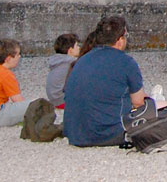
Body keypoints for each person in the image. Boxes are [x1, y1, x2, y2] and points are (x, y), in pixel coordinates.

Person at [63, 16, 148, 147]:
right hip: (108, 134)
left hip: (76, 134)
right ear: (120, 40)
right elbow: (139, 102)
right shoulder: (126, 62)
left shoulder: (82, 60)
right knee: (159, 108)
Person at [45, 33, 80, 107]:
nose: (79, 48)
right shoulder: (72, 62)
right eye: (77, 46)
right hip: (63, 100)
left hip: (54, 99)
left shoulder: (57, 61)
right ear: (70, 50)